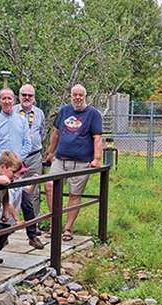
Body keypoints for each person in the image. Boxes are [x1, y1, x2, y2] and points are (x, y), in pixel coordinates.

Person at [43, 84, 103, 242]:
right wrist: (50, 152)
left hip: (81, 162)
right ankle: (54, 224)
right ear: (70, 96)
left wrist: (97, 159)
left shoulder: (93, 114)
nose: (77, 98)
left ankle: (68, 228)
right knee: (49, 185)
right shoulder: (64, 111)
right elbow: (55, 133)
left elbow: (97, 138)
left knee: (74, 195)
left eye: (80, 95)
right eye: (74, 95)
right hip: (60, 159)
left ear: (85, 96)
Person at [13, 84, 46, 250]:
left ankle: (33, 226)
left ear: (34, 97)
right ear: (19, 96)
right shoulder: (12, 111)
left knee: (33, 192)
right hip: (16, 159)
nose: (26, 98)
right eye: (23, 94)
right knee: (12, 192)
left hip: (34, 157)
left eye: (30, 95)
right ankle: (10, 224)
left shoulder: (39, 113)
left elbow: (42, 133)